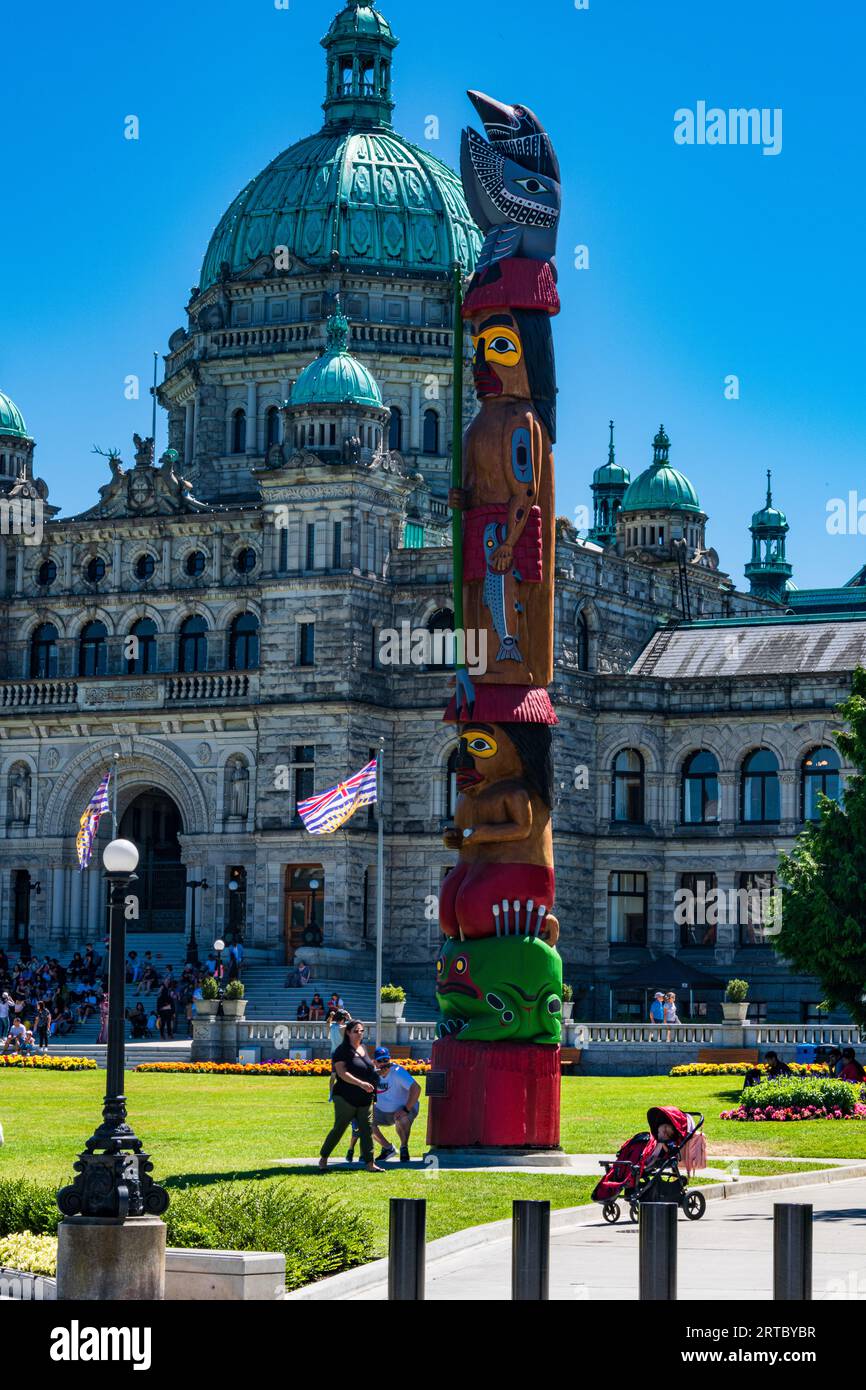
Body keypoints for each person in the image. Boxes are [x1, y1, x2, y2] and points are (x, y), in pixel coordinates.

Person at [319, 1020, 382, 1173]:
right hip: (345, 1097)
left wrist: (375, 1073)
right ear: (348, 1032)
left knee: (367, 1130)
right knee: (339, 1128)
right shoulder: (342, 1050)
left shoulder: (363, 1048)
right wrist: (361, 1083)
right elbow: (342, 1073)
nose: (359, 1033)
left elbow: (366, 1068)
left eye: (361, 1031)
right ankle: (324, 1158)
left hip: (365, 1098)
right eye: (356, 1031)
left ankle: (370, 1163)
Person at [358, 1047, 420, 1164]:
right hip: (382, 1110)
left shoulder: (397, 1071)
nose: (383, 1064)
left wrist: (406, 1109)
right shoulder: (371, 1074)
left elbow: (416, 1088)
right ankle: (387, 1148)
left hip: (404, 1107)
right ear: (374, 1062)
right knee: (362, 1120)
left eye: (386, 1060)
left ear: (390, 1060)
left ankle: (404, 1147)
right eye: (380, 1061)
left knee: (402, 1118)